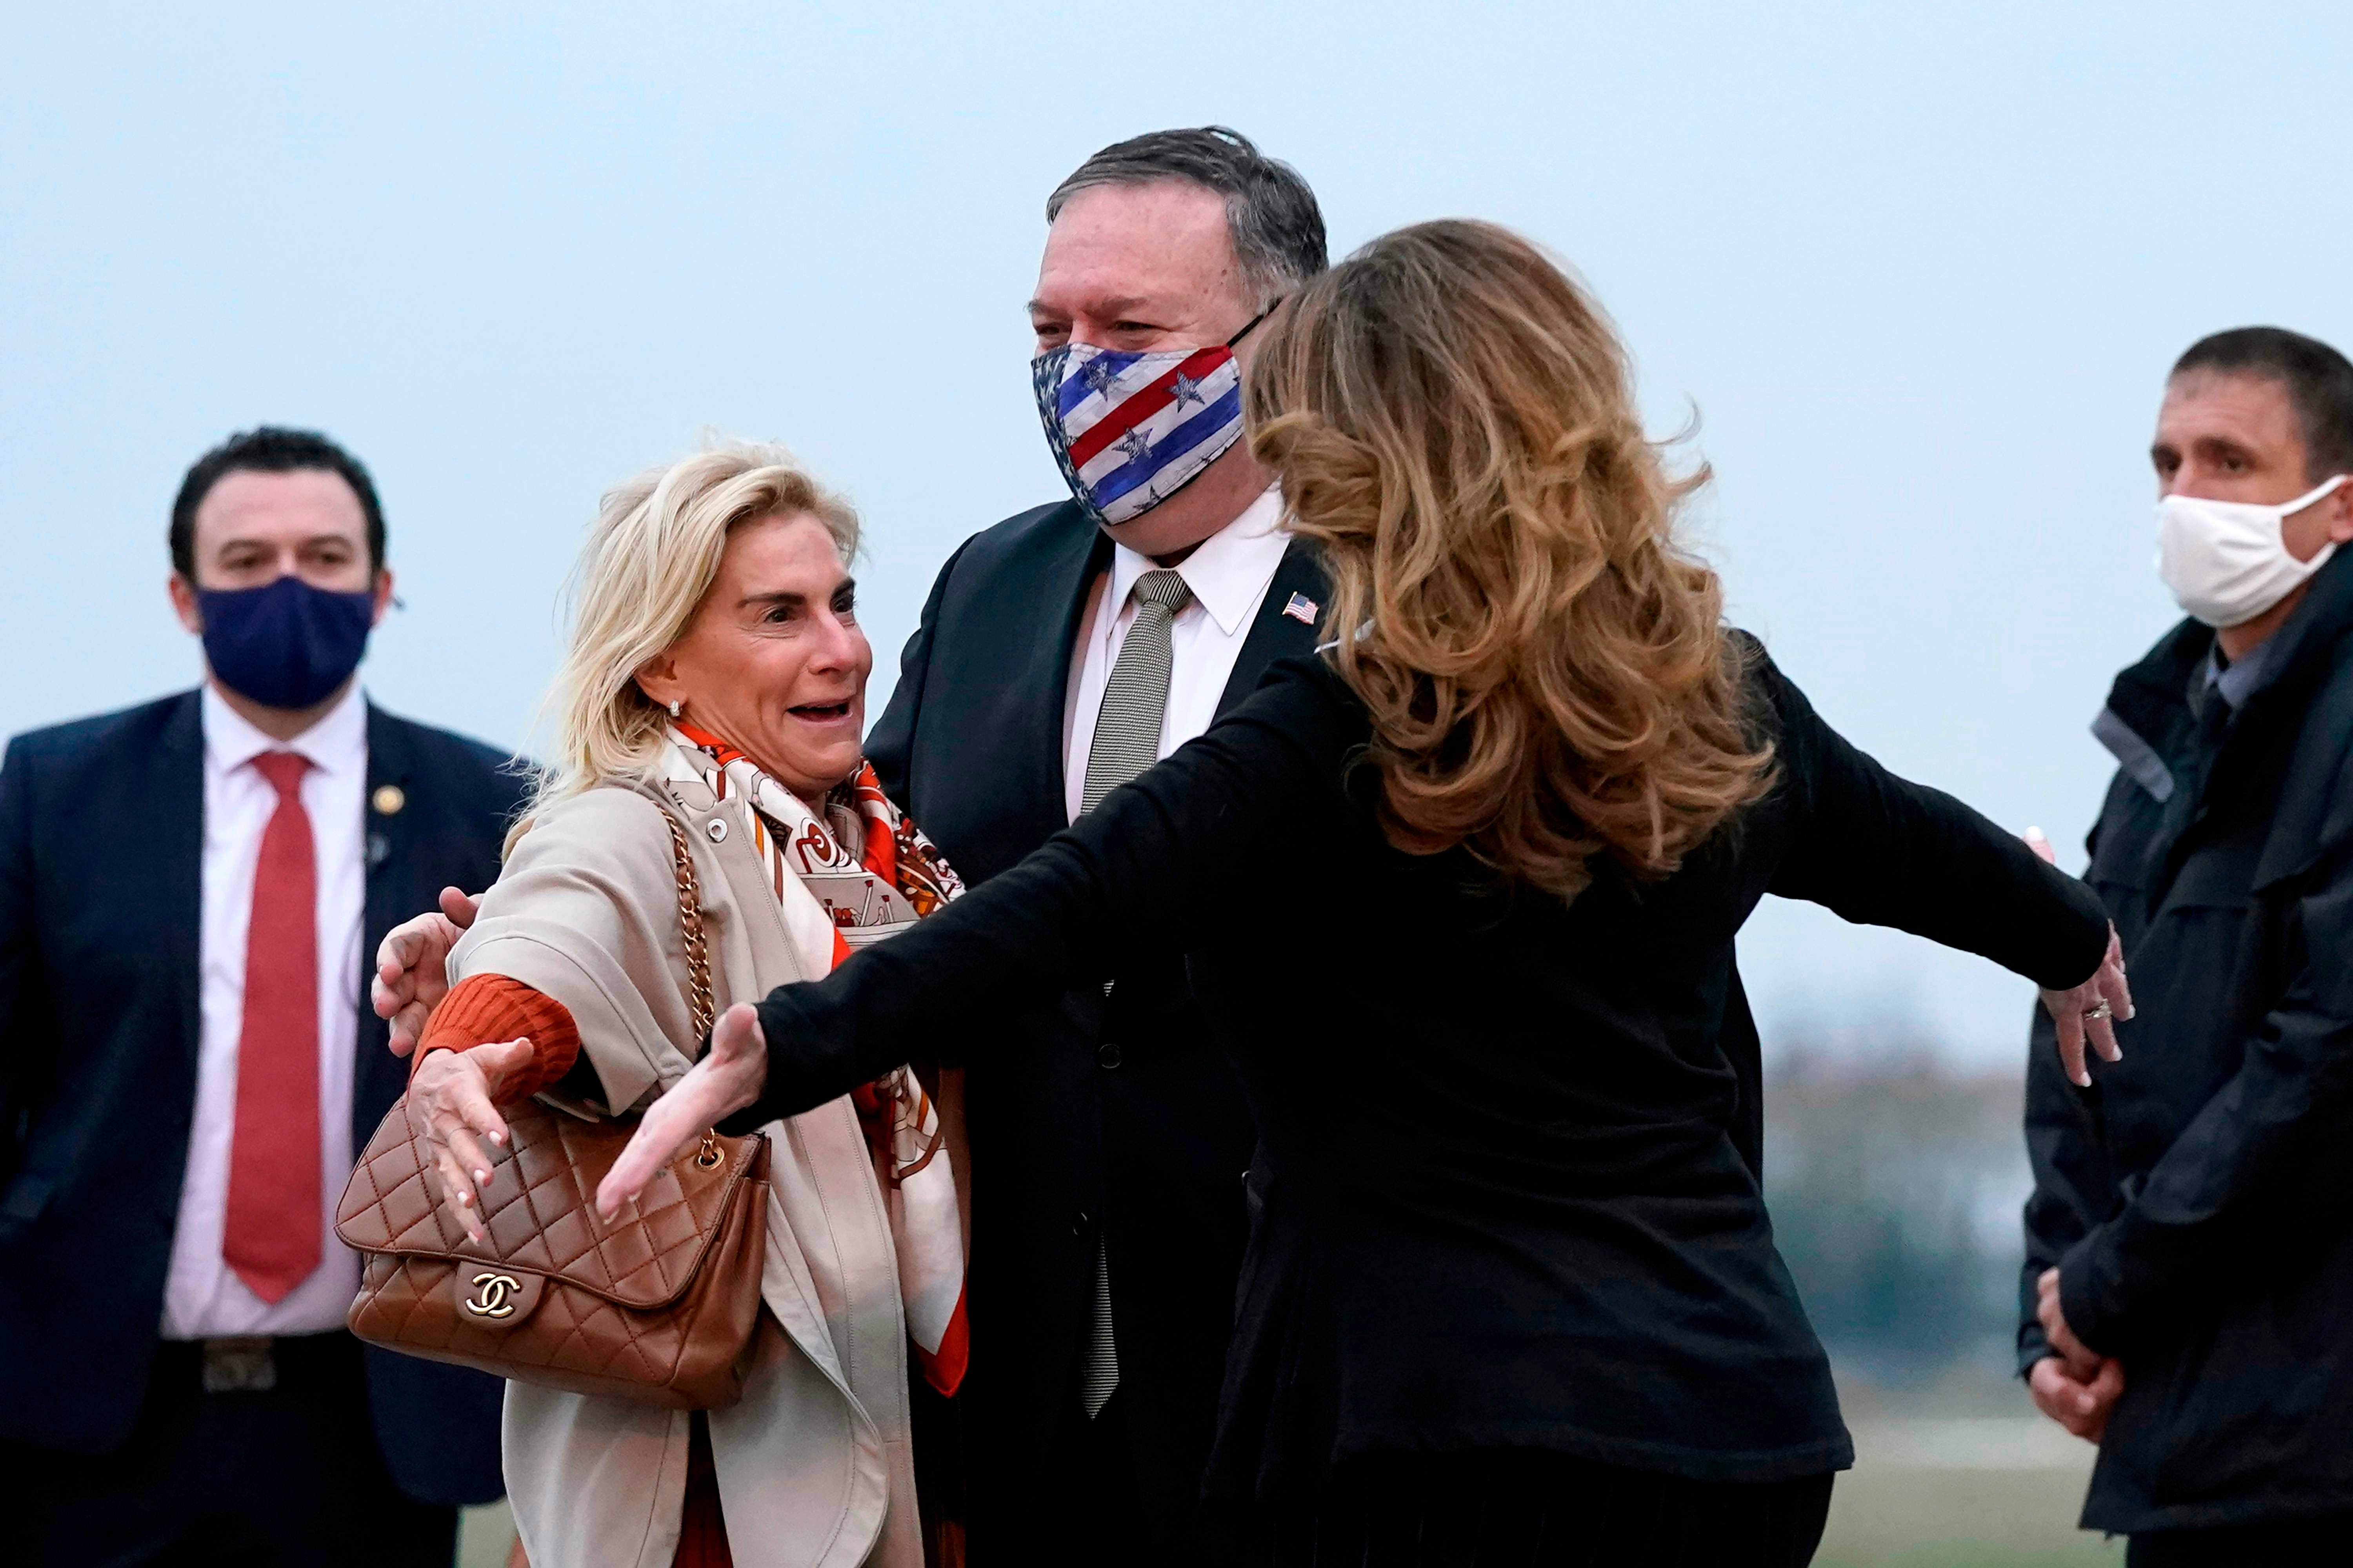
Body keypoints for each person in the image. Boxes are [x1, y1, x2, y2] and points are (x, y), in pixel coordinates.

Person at [598, 221, 2133, 1567]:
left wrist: (777, 1050)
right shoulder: (1712, 698)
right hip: (1728, 1425)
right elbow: (1921, 855)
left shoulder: (1334, 733)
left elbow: (1058, 907)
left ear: (1359, 449)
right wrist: (2073, 943)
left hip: (1428, 1442)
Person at [374, 123, 1335, 1564]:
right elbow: (780, 866)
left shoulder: (1408, 603)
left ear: (1293, 340)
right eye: (1048, 328)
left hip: (1310, 1372)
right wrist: (506, 982)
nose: (1081, 367)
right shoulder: (1004, 582)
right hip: (994, 1391)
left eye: (1129, 329)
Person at [391, 443, 966, 1568]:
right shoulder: (640, 812)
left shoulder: (879, 844)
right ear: (660, 666)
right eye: (778, 616)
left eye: (841, 603)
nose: (840, 647)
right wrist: (471, 1041)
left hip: (901, 1430)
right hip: (721, 1488)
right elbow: (554, 927)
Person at [0, 427, 515, 1564]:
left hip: (374, 1424)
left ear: (381, 589)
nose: (288, 585)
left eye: (325, 558)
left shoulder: (489, 807)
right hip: (90, 1426)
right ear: (186, 596)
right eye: (247, 562)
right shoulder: (54, 794)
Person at [2020, 327, 2353, 1564]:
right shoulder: (2159, 742)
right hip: (2193, 1438)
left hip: (2316, 1444)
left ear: (2339, 504)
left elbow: (2324, 1067)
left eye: (2229, 462)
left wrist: (2107, 1290)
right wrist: (2052, 1321)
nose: (2184, 498)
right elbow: (2081, 1024)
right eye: (2166, 463)